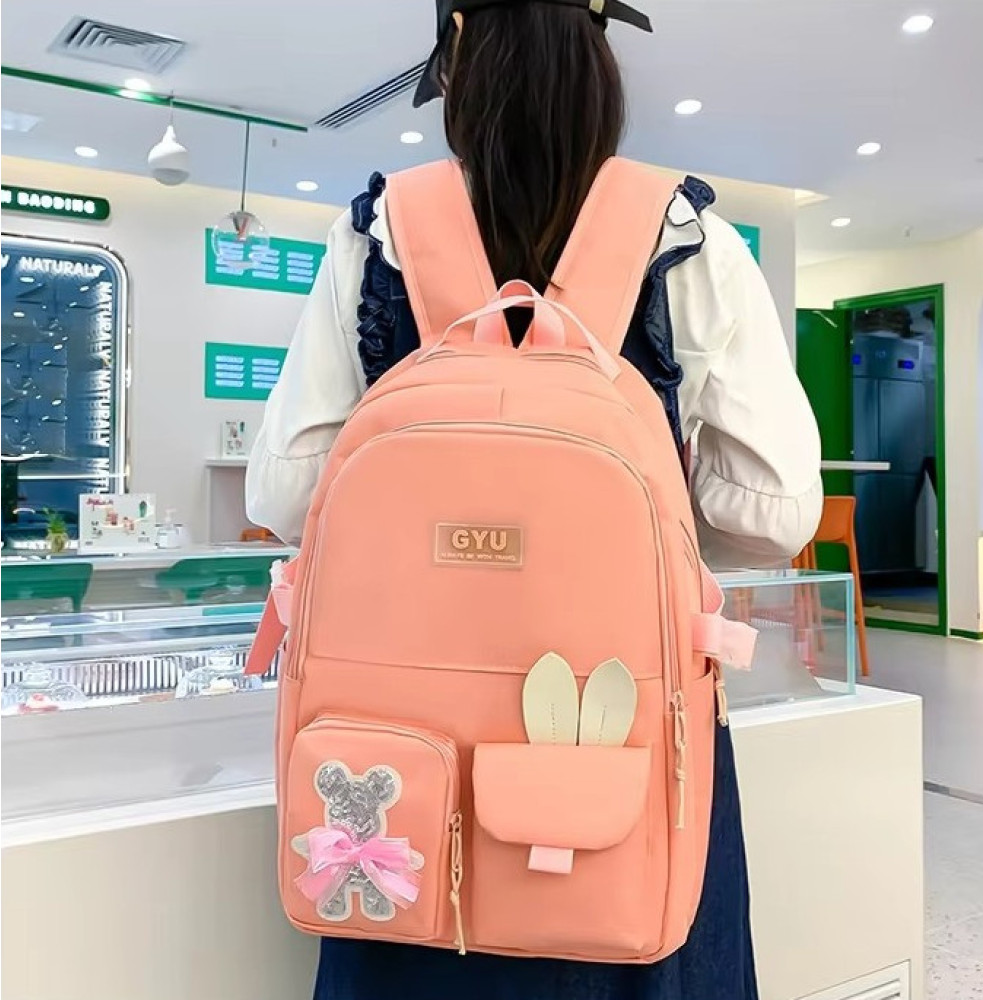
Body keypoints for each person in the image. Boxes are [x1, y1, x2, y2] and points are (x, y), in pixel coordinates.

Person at [247, 2, 822, 997]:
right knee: (643, 925)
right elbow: (774, 513)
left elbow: (289, 495)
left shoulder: (378, 232)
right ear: (599, 57)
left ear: (456, 48)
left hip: (401, 751)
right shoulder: (688, 236)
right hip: (621, 733)